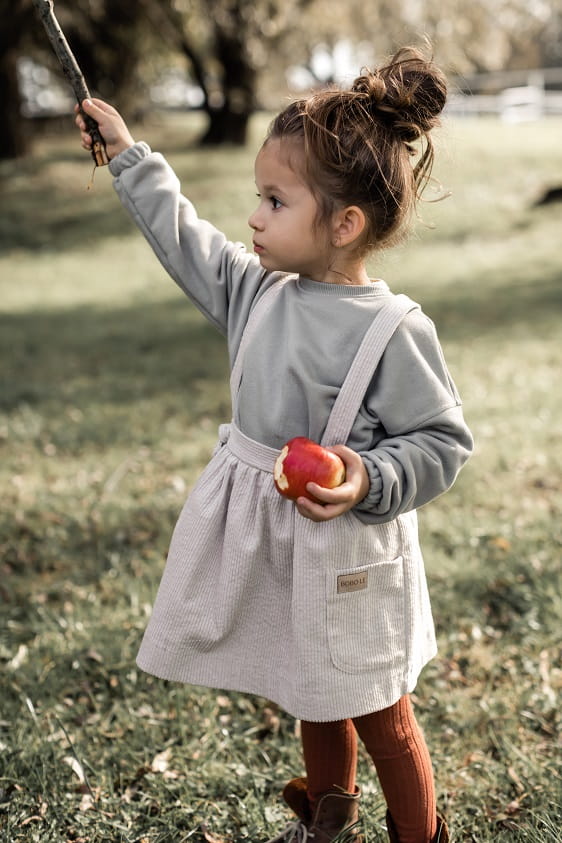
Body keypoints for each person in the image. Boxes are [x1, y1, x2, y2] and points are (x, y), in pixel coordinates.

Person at [76, 46, 473, 843]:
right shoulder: (255, 290)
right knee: (311, 687)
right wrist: (128, 156)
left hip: (351, 553)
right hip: (279, 539)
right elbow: (184, 236)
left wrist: (366, 475)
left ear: (344, 224)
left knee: (377, 705)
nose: (253, 216)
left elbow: (442, 441)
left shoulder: (394, 329)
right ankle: (330, 820)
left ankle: (418, 833)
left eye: (274, 200)